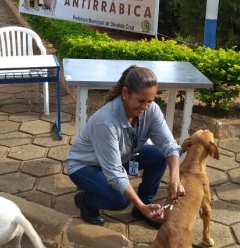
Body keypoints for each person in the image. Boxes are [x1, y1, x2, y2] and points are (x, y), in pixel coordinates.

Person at [66, 65, 184, 228]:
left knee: (158, 156)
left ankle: (143, 205)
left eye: (150, 101)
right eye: (141, 101)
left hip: (123, 156)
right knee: (119, 200)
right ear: (125, 93)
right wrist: (143, 208)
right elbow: (115, 173)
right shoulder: (105, 122)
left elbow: (169, 145)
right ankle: (86, 201)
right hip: (86, 165)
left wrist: (175, 179)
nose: (145, 107)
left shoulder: (152, 110)